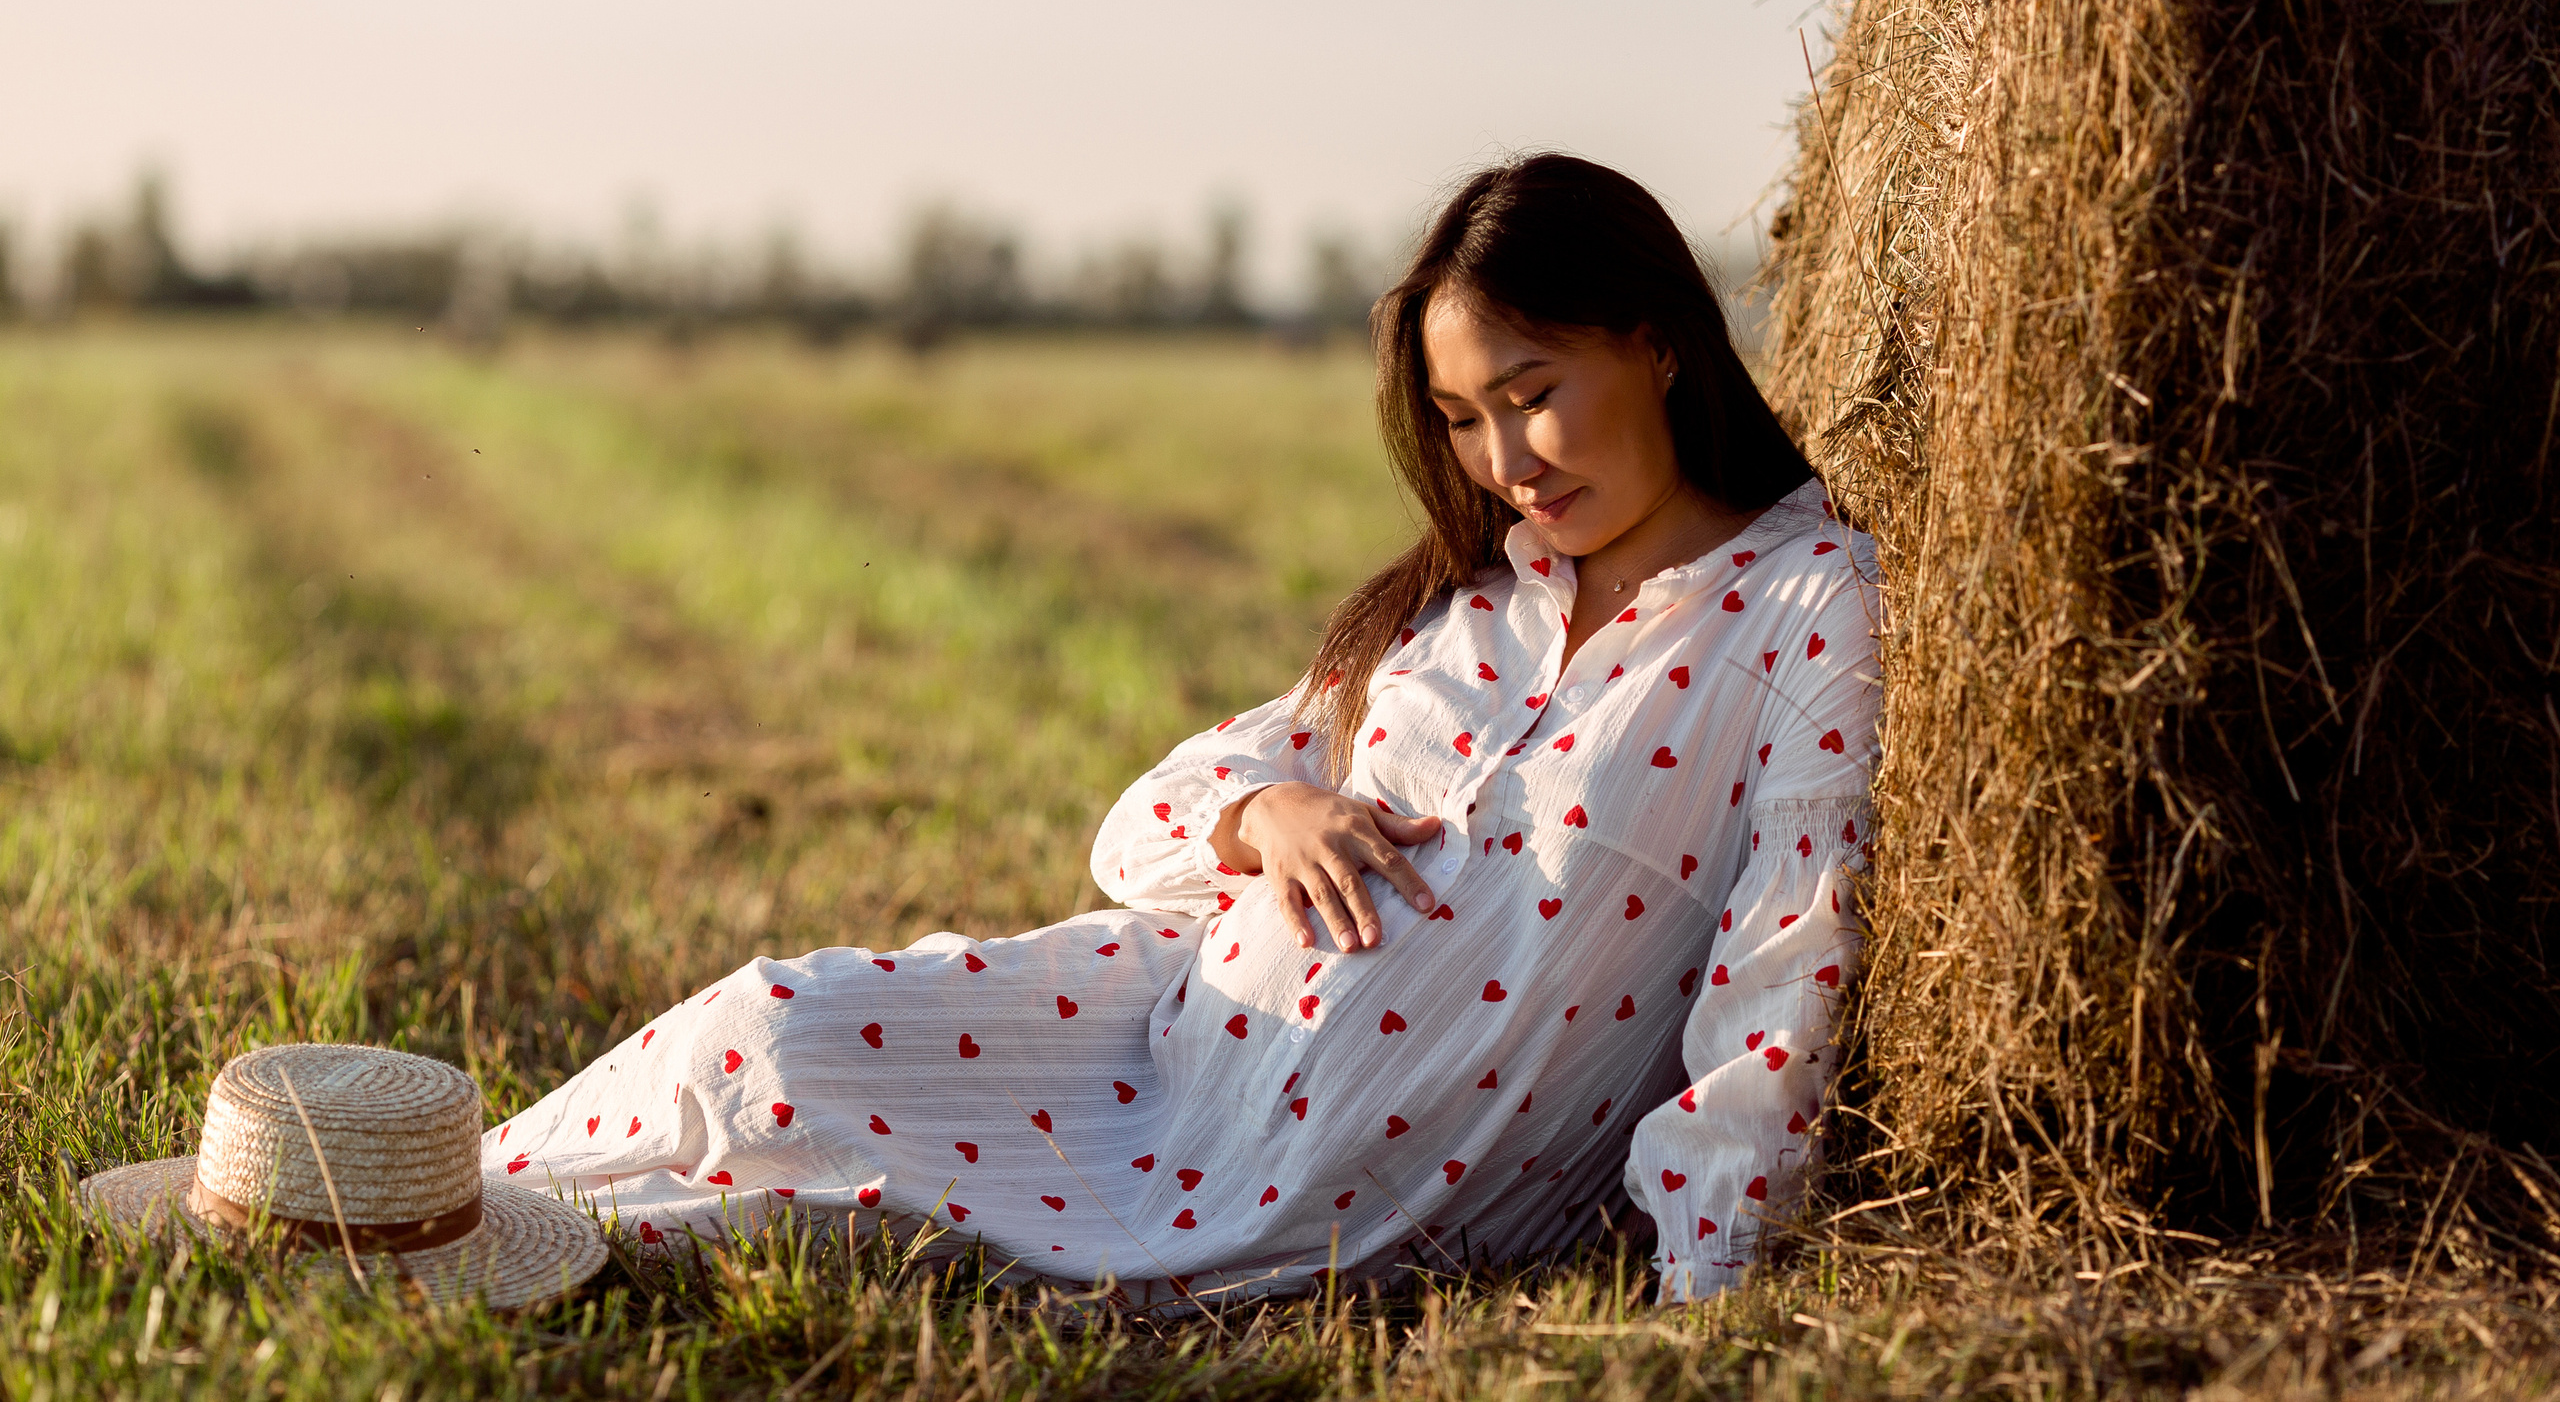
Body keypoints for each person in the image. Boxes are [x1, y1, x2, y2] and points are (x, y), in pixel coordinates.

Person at [484, 154, 1880, 1303]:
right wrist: (1268, 812)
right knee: (771, 1027)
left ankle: (455, 1240)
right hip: (1163, 1033)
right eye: (1462, 419)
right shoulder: (1471, 601)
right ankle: (426, 1186)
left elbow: (1783, 962)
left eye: (1533, 397)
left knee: (800, 1219)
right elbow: (1142, 831)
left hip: (1330, 1179)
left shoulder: (1800, 602)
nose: (1505, 463)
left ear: (1655, 343)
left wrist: (1712, 1276)